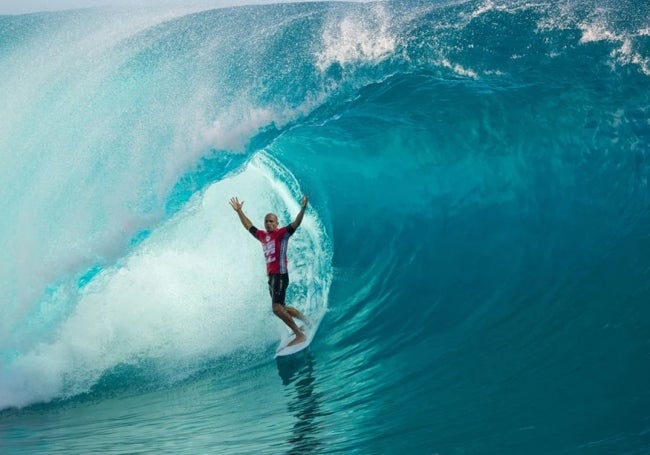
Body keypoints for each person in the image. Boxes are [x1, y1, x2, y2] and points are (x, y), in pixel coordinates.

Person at [229, 195, 309, 346]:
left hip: (280, 275)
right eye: (266, 221)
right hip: (271, 278)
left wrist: (303, 208)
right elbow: (249, 226)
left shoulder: (282, 234)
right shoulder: (262, 236)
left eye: (271, 221)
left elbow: (296, 223)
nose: (268, 223)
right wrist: (239, 211)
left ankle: (299, 334)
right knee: (283, 307)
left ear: (277, 223)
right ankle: (307, 322)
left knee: (277, 309)